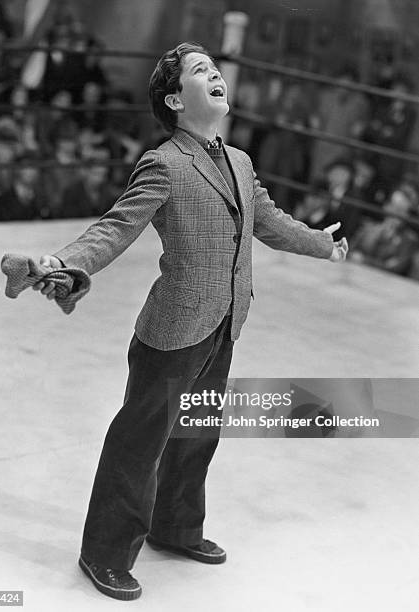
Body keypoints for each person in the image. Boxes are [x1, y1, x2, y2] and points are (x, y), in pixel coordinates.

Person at [32, 42, 348, 601]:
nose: (216, 73)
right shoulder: (165, 163)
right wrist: (69, 263)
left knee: (196, 433)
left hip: (224, 321)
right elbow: (115, 227)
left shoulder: (241, 161)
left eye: (215, 67)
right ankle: (102, 552)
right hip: (173, 328)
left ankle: (175, 528)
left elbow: (268, 221)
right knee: (140, 441)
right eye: (201, 70)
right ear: (176, 99)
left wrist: (320, 244)